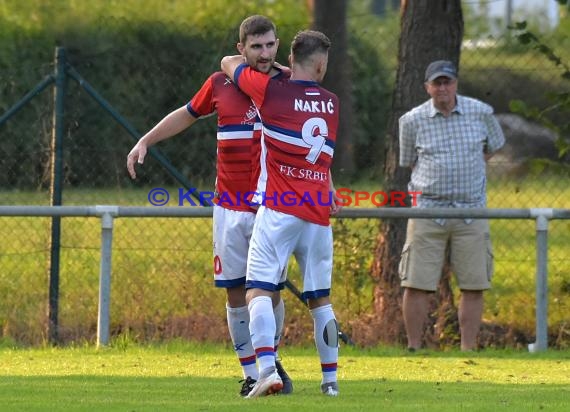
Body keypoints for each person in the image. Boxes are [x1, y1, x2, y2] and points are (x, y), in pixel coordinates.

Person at [126, 15, 293, 396]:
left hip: (272, 207)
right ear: (241, 49)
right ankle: (252, 372)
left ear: (277, 44)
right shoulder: (221, 83)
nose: (264, 53)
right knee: (235, 291)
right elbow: (186, 113)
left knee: (271, 290)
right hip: (229, 208)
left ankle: (271, 360)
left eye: (270, 45)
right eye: (256, 47)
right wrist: (146, 141)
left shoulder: (286, 85)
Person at [221, 29, 341, 398]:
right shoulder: (332, 102)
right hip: (319, 210)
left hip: (280, 207)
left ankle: (267, 370)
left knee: (258, 288)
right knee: (320, 298)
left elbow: (229, 64)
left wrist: (266, 65)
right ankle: (330, 383)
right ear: (321, 64)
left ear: (289, 59)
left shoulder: (271, 91)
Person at [398, 60, 505, 351]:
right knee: (416, 282)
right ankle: (414, 348)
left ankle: (468, 349)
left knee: (473, 284)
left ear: (456, 84)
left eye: (447, 82)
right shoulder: (411, 120)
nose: (442, 88)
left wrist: (469, 172)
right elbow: (408, 161)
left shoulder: (481, 113)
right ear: (427, 87)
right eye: (437, 83)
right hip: (428, 210)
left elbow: (494, 146)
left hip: (471, 210)